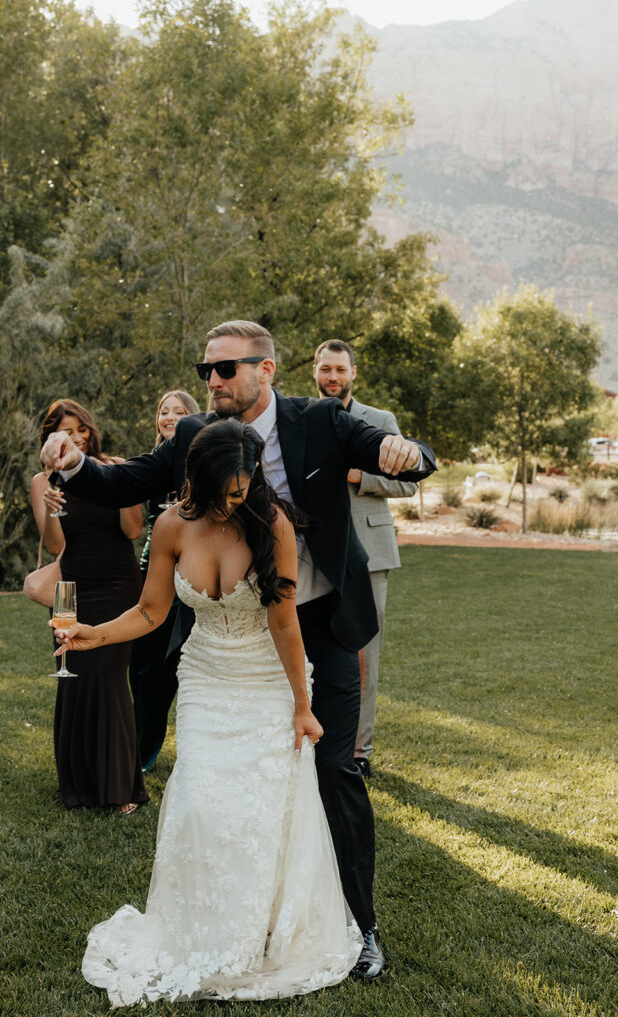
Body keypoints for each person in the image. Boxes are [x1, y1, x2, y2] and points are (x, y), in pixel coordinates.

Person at [40, 319, 436, 980]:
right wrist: (74, 461)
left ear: (266, 370)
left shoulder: (323, 422)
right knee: (224, 789)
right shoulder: (197, 437)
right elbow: (128, 481)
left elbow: (393, 449)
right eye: (206, 371)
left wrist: (404, 452)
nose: (213, 382)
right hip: (232, 631)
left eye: (225, 369)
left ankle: (359, 927)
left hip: (319, 622)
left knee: (333, 773)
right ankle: (245, 919)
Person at [53, 420, 362, 1005]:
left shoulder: (273, 525)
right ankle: (196, 931)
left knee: (261, 814)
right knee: (198, 804)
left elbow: (284, 623)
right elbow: (149, 612)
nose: (231, 502)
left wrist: (303, 706)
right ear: (196, 479)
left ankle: (255, 940)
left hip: (268, 683)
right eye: (222, 490)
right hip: (205, 681)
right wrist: (96, 634)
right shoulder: (172, 525)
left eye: (242, 491)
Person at [31, 399, 147, 814]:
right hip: (73, 591)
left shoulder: (113, 468)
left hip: (118, 584)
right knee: (76, 675)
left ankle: (119, 789)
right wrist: (50, 510)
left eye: (80, 429)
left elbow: (134, 529)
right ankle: (78, 785)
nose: (75, 437)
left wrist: (118, 486)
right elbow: (58, 546)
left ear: (90, 430)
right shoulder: (43, 481)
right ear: (50, 438)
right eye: (65, 431)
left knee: (109, 677)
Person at [313, 339, 417, 778]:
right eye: (325, 369)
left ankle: (359, 751)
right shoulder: (303, 417)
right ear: (315, 372)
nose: (332, 377)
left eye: (340, 369)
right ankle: (314, 741)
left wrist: (361, 475)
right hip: (314, 554)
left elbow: (408, 483)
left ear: (353, 372)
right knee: (311, 654)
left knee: (362, 658)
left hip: (370, 555)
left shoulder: (380, 421)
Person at [128, 389, 200, 770]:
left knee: (174, 667)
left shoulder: (201, 462)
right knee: (142, 667)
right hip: (150, 575)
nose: (169, 417)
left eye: (179, 412)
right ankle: (139, 749)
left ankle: (156, 749)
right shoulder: (153, 466)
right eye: (164, 412)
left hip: (192, 578)